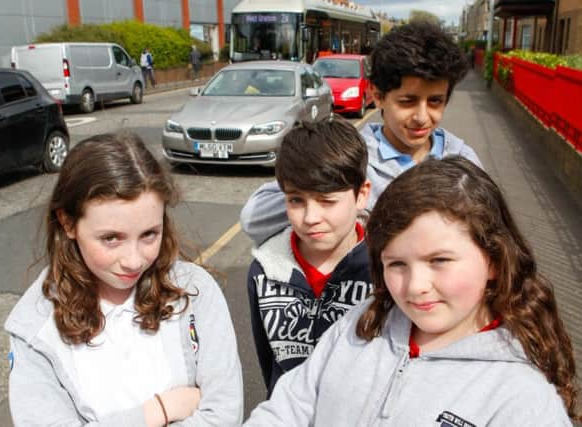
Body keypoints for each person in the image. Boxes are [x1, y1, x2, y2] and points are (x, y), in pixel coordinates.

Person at [244, 156, 580, 426]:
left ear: (493, 260)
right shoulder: (362, 321)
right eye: (397, 264)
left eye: (439, 260)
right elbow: (292, 404)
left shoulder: (522, 400)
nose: (415, 287)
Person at [5, 133, 243, 426]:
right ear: (68, 223)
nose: (134, 260)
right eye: (111, 238)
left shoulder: (195, 291)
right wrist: (158, 411)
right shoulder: (34, 326)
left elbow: (224, 413)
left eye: (149, 234)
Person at [239, 21, 481, 246]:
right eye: (407, 101)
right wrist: (337, 189)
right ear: (377, 95)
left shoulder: (463, 161)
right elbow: (254, 218)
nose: (421, 116)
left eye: (435, 102)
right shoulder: (346, 155)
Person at [248, 117, 373, 396]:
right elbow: (269, 363)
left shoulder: (386, 271)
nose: (310, 218)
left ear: (362, 195)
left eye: (327, 201)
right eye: (296, 200)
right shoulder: (263, 272)